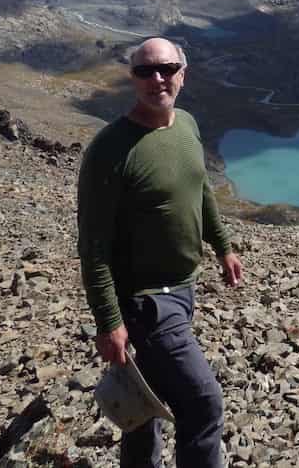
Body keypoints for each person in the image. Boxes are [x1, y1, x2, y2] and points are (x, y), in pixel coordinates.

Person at [78, 37, 243, 468]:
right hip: (146, 302)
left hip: (183, 289)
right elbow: (93, 246)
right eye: (145, 72)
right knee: (203, 404)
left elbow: (200, 189)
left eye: (167, 69)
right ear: (131, 80)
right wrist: (108, 322)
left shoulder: (186, 125)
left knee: (143, 404)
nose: (157, 79)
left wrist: (222, 246)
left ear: (182, 74)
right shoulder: (110, 150)